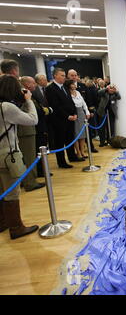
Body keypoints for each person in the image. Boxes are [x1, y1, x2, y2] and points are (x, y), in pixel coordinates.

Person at [0, 75, 39, 239]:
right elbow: (32, 119)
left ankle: (3, 222)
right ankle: (16, 227)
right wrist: (29, 100)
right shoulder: (7, 107)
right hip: (8, 155)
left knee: (2, 190)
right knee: (11, 192)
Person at [45, 68, 79, 168]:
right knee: (59, 141)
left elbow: (70, 101)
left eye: (64, 75)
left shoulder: (64, 87)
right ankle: (61, 162)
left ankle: (72, 156)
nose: (64, 77)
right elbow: (55, 106)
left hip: (71, 118)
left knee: (70, 138)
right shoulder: (50, 88)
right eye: (62, 75)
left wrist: (74, 113)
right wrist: (67, 116)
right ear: (55, 76)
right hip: (59, 120)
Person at [18, 76, 48, 190]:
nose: (35, 85)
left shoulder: (29, 94)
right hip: (26, 129)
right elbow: (31, 111)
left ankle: (28, 180)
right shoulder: (24, 95)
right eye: (33, 83)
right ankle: (30, 182)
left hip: (28, 128)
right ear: (26, 84)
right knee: (29, 157)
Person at [65, 79, 91, 160]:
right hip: (74, 114)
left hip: (81, 113)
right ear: (69, 85)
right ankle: (78, 152)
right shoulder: (67, 94)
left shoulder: (78, 92)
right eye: (73, 84)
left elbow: (84, 103)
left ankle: (82, 151)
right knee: (76, 135)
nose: (75, 85)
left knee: (83, 134)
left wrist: (87, 112)